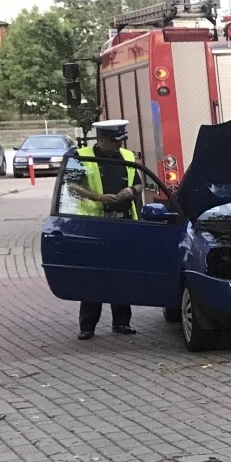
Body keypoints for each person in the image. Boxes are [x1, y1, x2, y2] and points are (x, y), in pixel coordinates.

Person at [64, 119, 143, 340]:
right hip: (95, 225)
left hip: (123, 222)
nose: (118, 145)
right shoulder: (82, 156)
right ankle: (87, 326)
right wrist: (98, 197)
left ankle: (121, 323)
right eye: (113, 141)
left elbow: (139, 182)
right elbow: (71, 187)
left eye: (120, 140)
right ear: (101, 139)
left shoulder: (126, 156)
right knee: (93, 276)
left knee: (121, 275)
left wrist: (130, 190)